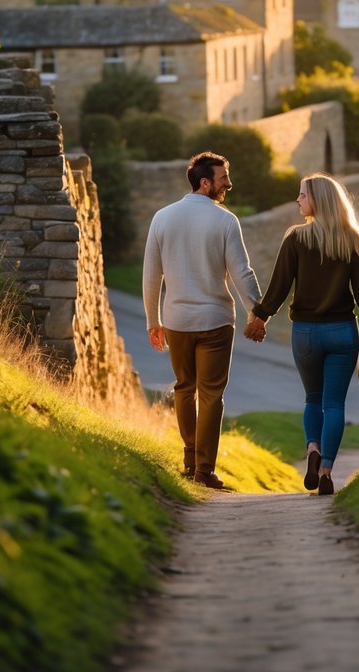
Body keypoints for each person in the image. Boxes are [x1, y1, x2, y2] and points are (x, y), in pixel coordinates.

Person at [245, 173, 359, 496]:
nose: (298, 200)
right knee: (334, 404)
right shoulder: (353, 240)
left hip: (305, 332)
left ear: (317, 201)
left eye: (302, 195)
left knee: (312, 398)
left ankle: (312, 448)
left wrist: (260, 317)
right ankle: (327, 470)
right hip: (342, 333)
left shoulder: (296, 239)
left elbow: (279, 287)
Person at [142, 151, 266, 489]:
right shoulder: (225, 221)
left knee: (184, 387)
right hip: (215, 320)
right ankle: (204, 469)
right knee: (211, 394)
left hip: (176, 320)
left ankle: (189, 459)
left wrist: (153, 320)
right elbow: (242, 272)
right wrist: (257, 312)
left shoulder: (161, 218)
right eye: (224, 177)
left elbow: (151, 276)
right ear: (205, 182)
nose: (229, 183)